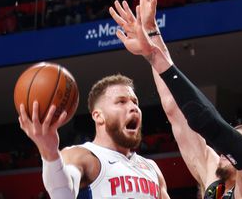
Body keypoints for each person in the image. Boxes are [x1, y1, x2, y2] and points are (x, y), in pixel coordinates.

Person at [109, 0, 242, 199]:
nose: (222, 150)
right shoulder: (216, 183)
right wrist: (152, 40)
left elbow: (211, 125)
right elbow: (176, 111)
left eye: (234, 143)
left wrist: (155, 54)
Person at [17, 73, 170, 198]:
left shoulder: (151, 168)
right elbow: (62, 193)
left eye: (135, 102)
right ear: (98, 116)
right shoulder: (82, 156)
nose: (133, 108)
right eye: (121, 102)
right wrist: (50, 153)